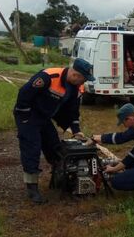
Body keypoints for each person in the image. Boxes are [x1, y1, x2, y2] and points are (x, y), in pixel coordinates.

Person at [13, 58, 95, 204]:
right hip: (29, 116)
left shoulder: (76, 88)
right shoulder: (49, 77)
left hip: (44, 118)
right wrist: (25, 119)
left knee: (54, 147)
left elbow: (72, 111)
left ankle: (59, 177)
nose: (84, 83)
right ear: (75, 74)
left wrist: (76, 130)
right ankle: (32, 190)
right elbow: (24, 94)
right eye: (84, 79)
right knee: (32, 149)